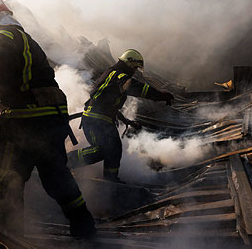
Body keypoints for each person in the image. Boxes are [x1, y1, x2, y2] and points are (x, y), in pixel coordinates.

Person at [0, 0, 96, 238]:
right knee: (57, 180)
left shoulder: (2, 36)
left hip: (25, 126)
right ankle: (85, 229)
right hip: (50, 122)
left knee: (5, 181)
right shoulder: (22, 38)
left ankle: (11, 239)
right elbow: (22, 83)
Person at [68, 49, 174, 182]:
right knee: (102, 150)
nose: (135, 71)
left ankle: (111, 180)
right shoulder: (118, 75)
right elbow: (133, 87)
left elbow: (108, 104)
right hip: (95, 119)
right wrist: (159, 95)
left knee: (114, 149)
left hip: (102, 119)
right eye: (135, 67)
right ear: (129, 63)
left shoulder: (114, 75)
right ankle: (64, 163)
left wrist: (126, 121)